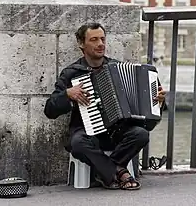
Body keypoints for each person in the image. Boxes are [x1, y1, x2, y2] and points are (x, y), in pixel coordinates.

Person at [43, 23, 166, 190]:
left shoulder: (117, 68)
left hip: (117, 132)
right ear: (81, 44)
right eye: (94, 40)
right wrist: (67, 94)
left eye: (102, 39)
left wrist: (158, 101)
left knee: (141, 134)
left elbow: (149, 120)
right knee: (78, 143)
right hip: (87, 133)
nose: (100, 44)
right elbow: (50, 110)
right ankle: (120, 172)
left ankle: (103, 172)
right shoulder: (72, 73)